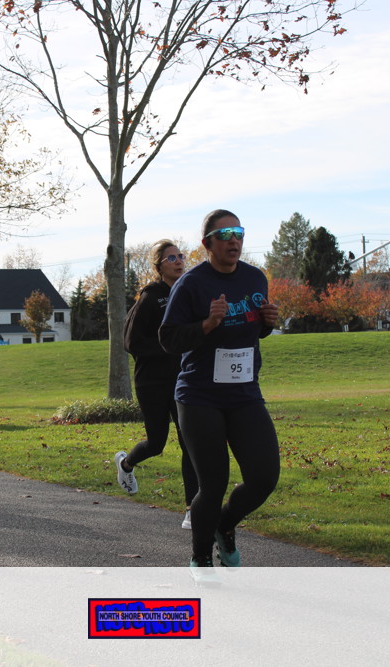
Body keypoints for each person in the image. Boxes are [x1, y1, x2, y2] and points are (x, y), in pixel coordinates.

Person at [160, 210, 280, 577]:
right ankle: (200, 557)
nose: (234, 240)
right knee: (212, 484)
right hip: (200, 395)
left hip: (244, 393)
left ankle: (224, 526)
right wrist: (207, 324)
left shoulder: (255, 278)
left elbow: (252, 330)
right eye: (225, 234)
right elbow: (168, 339)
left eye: (238, 233)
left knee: (264, 478)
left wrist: (267, 324)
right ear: (207, 243)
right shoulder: (191, 284)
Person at [114, 239, 199, 530]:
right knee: (156, 443)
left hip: (183, 381)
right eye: (170, 258)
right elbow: (131, 342)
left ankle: (192, 509)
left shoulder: (188, 293)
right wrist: (169, 346)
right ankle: (126, 464)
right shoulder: (150, 298)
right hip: (151, 382)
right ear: (158, 266)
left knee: (190, 444)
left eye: (180, 256)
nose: (178, 261)